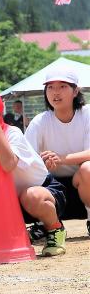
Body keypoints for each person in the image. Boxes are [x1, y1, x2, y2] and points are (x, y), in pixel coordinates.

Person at [0, 88, 67, 257]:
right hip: (9, 202)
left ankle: (55, 230)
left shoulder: (12, 133)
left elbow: (8, 164)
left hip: (43, 194)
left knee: (32, 195)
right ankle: (8, 233)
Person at [24, 68, 90, 240]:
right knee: (32, 185)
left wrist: (60, 159)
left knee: (88, 169)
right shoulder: (39, 122)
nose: (55, 92)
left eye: (62, 86)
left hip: (82, 182)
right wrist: (42, 163)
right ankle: (46, 225)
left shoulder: (87, 114)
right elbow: (26, 159)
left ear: (75, 91)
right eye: (50, 87)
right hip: (52, 188)